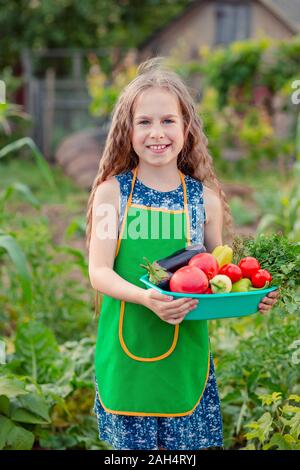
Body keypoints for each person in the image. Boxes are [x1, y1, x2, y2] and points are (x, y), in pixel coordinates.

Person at [86, 58, 279, 451]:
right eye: (144, 122)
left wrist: (252, 297)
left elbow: (216, 278)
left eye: (168, 120)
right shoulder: (113, 194)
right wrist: (146, 297)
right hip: (128, 353)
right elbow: (99, 272)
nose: (157, 132)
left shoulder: (203, 201)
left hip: (185, 356)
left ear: (186, 128)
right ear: (128, 130)